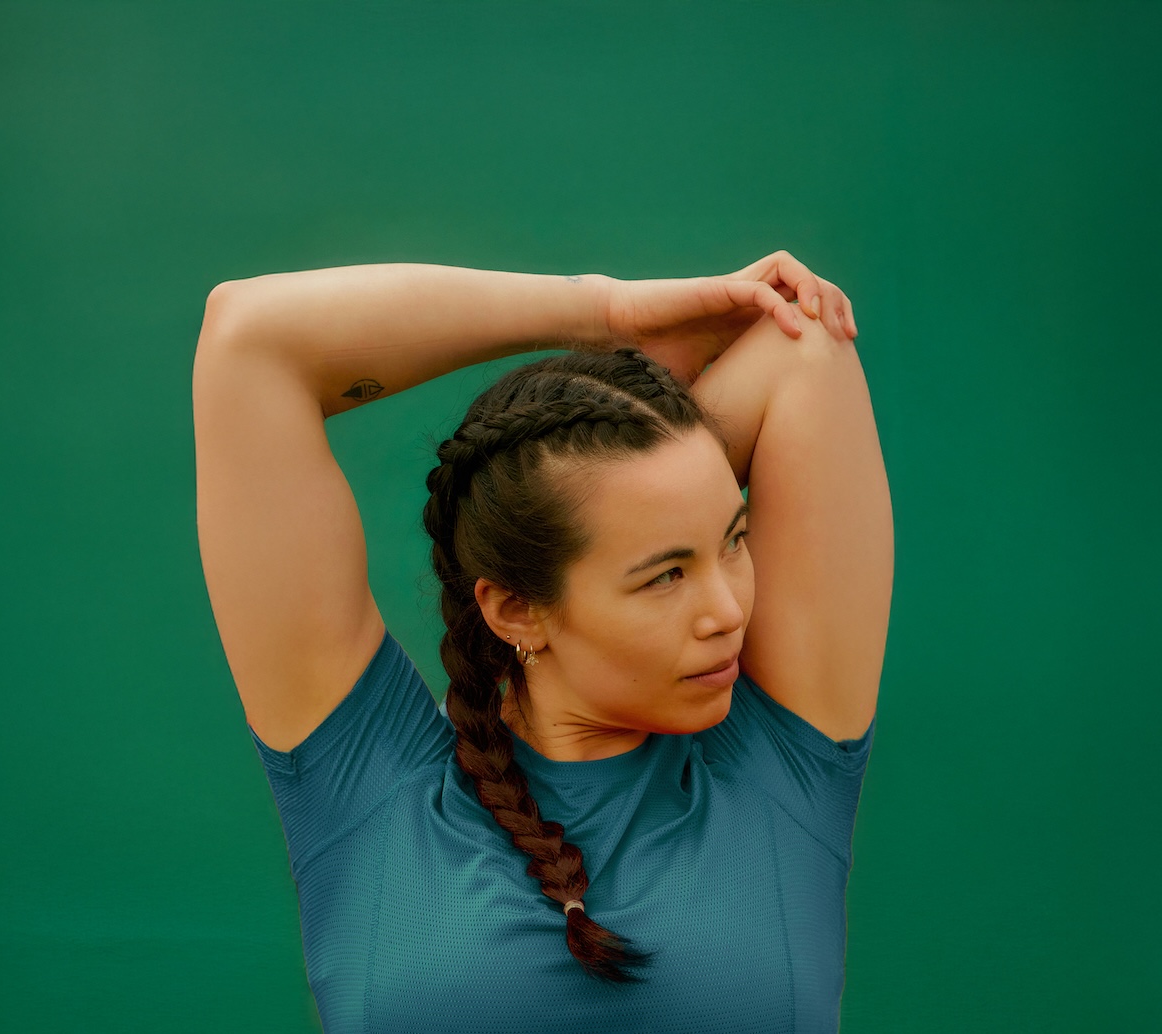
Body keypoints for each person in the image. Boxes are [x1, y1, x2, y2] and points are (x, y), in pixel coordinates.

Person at [191, 252, 892, 1032]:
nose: (728, 611)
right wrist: (605, 314)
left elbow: (803, 342)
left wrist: (629, 411)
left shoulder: (782, 769)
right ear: (517, 610)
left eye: (733, 540)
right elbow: (250, 339)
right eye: (664, 575)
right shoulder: (370, 788)